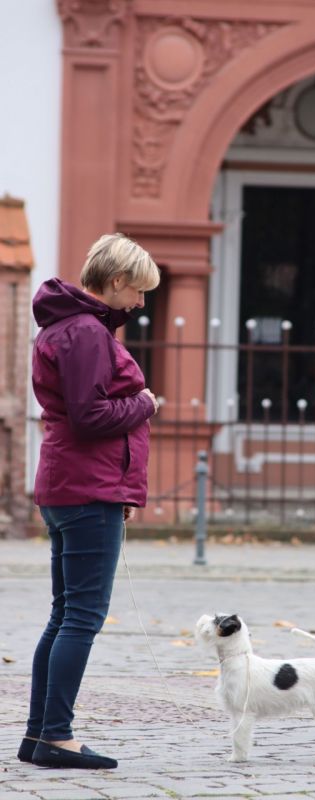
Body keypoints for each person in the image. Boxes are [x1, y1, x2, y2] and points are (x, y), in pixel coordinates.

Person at [18, 233, 160, 770]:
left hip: (75, 485)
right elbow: (90, 415)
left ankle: (39, 736)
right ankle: (56, 736)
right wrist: (145, 403)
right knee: (81, 617)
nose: (141, 302)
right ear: (117, 281)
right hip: (86, 487)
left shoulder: (69, 326)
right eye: (139, 290)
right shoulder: (85, 332)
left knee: (65, 615)